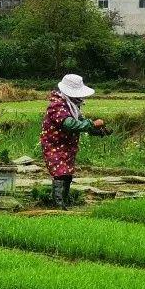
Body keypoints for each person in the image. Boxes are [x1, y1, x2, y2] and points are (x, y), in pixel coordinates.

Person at [40, 74, 109, 210]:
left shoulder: (72, 106)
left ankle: (64, 203)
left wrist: (98, 131)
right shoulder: (57, 106)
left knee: (67, 174)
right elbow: (70, 125)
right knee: (60, 173)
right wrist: (93, 124)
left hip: (67, 145)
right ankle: (59, 206)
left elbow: (81, 122)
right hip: (54, 145)